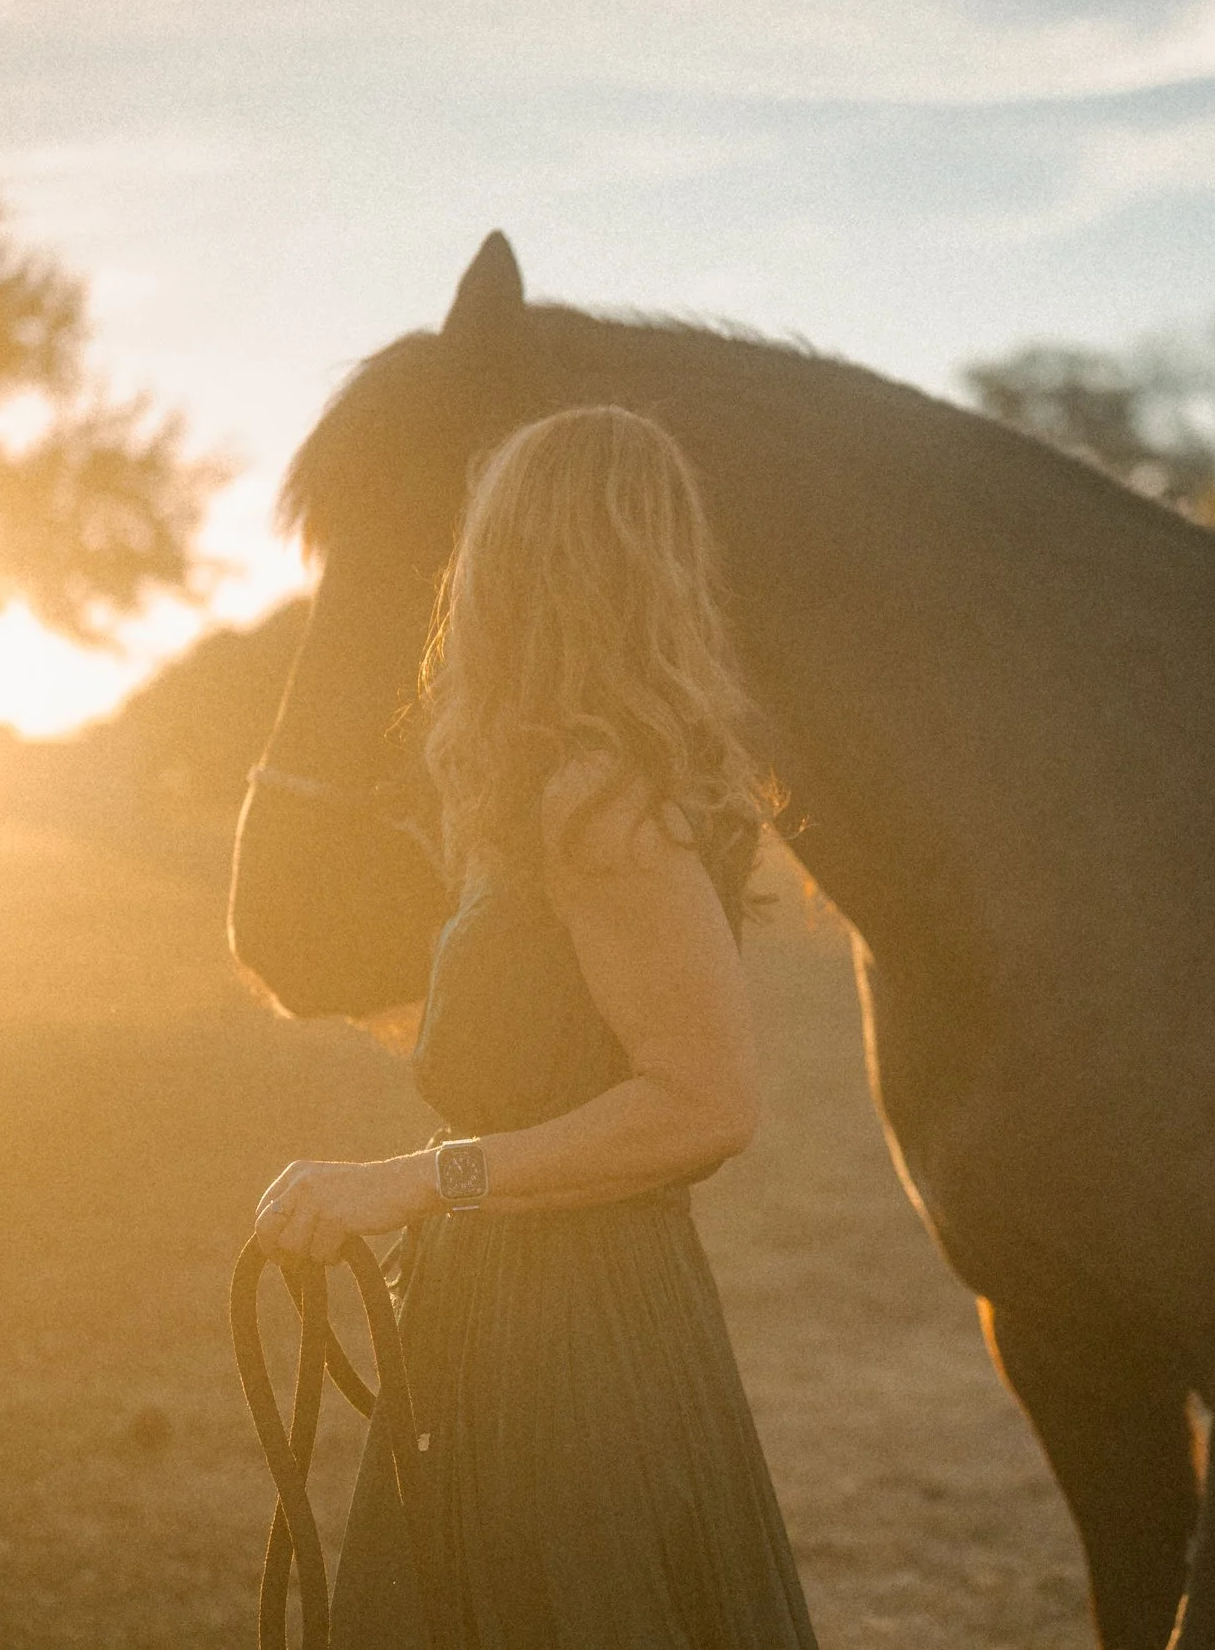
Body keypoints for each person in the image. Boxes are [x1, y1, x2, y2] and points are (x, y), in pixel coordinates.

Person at [251, 405, 818, 1649]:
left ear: (518, 559)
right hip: (512, 1310)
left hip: (576, 1340)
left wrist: (406, 1180)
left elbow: (702, 1102)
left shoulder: (602, 801)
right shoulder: (576, 785)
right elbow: (554, 1050)